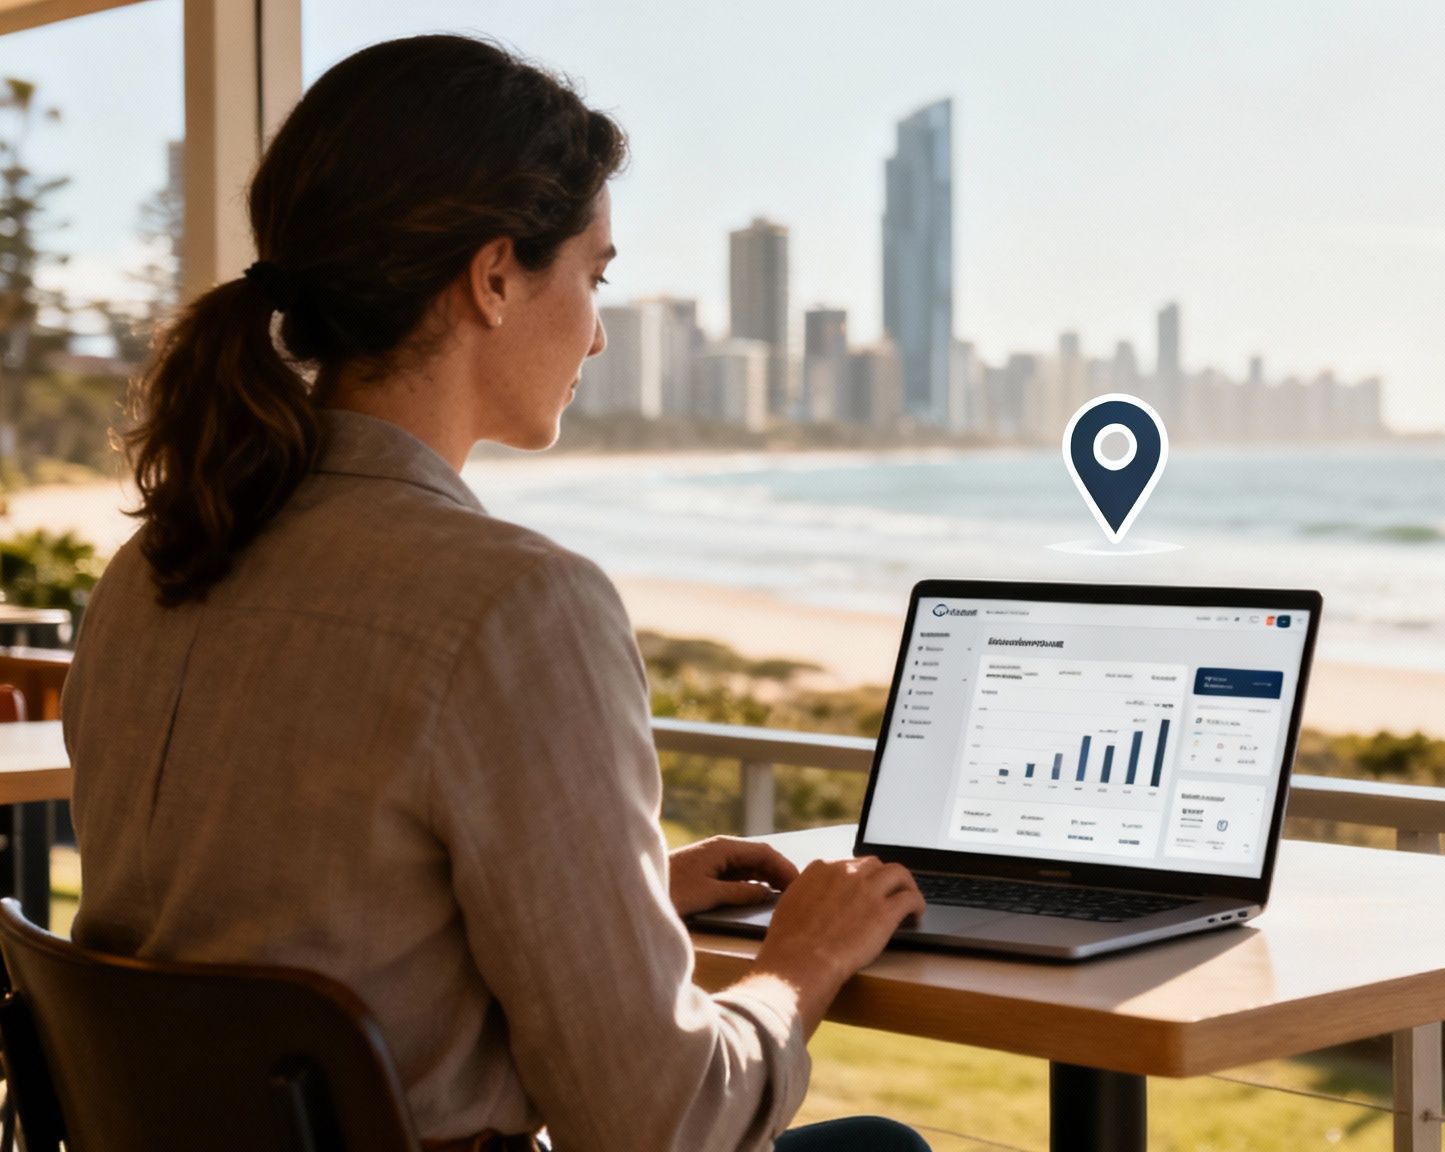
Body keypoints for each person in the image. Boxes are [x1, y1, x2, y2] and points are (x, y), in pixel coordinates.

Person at [62, 34, 929, 1152]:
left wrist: (607, 900)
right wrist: (795, 968)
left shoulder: (152, 571)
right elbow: (653, 1122)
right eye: (594, 274)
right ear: (493, 277)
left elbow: (261, 917)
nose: (601, 330)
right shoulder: (516, 606)